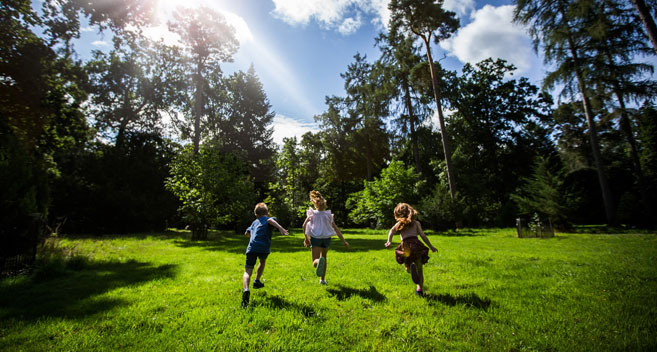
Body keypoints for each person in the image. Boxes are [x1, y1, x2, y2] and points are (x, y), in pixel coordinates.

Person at [242, 202, 289, 308]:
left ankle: (246, 289)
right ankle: (257, 280)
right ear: (267, 212)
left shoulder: (254, 222)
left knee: (247, 271)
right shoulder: (269, 218)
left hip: (252, 247)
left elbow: (246, 233)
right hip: (263, 247)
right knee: (262, 261)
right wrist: (280, 228)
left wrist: (253, 236)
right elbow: (270, 220)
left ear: (256, 214)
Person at [385, 203, 437, 297]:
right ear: (411, 211)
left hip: (406, 247)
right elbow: (422, 235)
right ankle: (419, 289)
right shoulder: (416, 223)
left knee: (407, 266)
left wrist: (389, 241)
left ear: (398, 214)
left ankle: (410, 269)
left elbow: (391, 231)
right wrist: (431, 246)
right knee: (420, 270)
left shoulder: (400, 223)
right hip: (416, 246)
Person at [302, 190, 349, 285]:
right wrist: (344, 241)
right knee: (324, 258)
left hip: (316, 238)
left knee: (315, 261)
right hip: (326, 239)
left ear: (314, 203)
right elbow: (336, 229)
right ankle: (322, 280)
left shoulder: (312, 214)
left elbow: (304, 226)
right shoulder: (328, 215)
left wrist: (306, 238)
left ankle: (318, 261)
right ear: (324, 204)